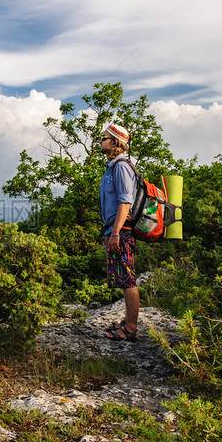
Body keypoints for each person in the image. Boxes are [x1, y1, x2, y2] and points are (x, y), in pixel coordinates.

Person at [98, 123, 139, 342]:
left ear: (114, 142)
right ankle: (128, 322)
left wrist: (115, 233)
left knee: (127, 278)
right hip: (116, 230)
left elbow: (125, 202)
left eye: (103, 138)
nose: (100, 141)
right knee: (123, 278)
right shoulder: (112, 167)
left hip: (121, 231)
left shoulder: (121, 167)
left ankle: (131, 328)